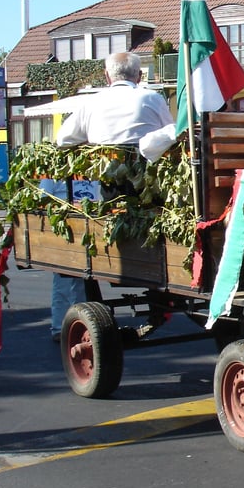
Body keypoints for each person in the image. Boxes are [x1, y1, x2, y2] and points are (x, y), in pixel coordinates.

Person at [46, 52, 173, 342]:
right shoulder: (151, 98)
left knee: (108, 203)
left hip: (111, 194)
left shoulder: (93, 103)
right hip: (149, 192)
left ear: (107, 77)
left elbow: (63, 139)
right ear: (139, 77)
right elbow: (170, 133)